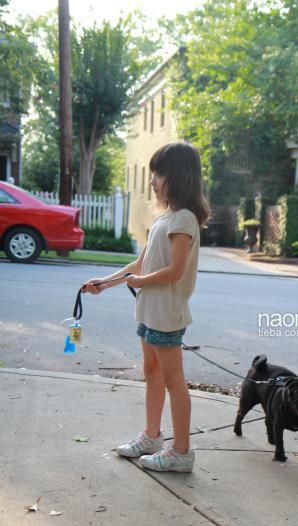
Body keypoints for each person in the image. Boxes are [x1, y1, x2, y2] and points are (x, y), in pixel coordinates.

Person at [82, 142, 209, 472]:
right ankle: (152, 436)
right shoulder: (165, 218)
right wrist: (105, 282)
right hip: (150, 311)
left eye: (159, 174)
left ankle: (181, 451)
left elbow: (175, 271)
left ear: (179, 177)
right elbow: (139, 265)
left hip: (166, 314)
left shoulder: (184, 219)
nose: (153, 181)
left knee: (174, 380)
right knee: (151, 371)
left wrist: (137, 282)